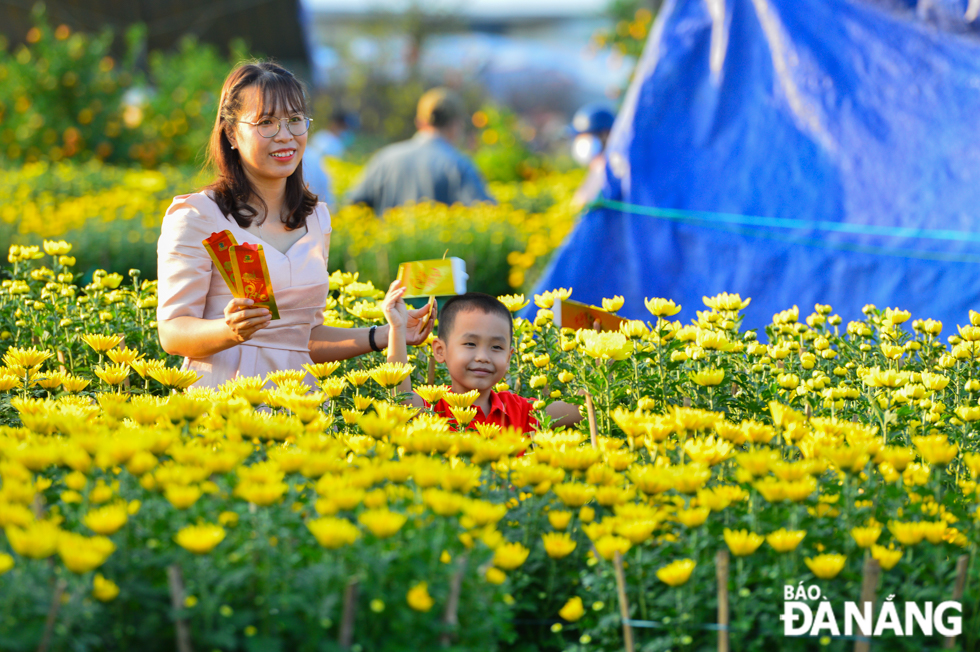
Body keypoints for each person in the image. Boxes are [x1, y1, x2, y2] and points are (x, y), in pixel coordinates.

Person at [156, 61, 435, 388]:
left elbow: (304, 339)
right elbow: (172, 332)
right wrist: (228, 329)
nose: (285, 136)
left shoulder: (316, 219)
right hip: (224, 404)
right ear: (231, 132)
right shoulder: (198, 215)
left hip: (301, 405)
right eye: (266, 123)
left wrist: (386, 333)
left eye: (295, 120)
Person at [381, 284, 580, 432]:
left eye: (496, 347)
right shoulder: (434, 407)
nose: (483, 357)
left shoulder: (519, 411)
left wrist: (606, 353)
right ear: (440, 351)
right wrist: (397, 329)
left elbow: (580, 409)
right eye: (470, 344)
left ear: (509, 357)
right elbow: (401, 401)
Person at [346, 88, 493, 215]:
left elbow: (352, 206)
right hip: (444, 248)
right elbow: (487, 213)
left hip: (386, 247)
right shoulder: (459, 165)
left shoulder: (385, 158)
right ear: (455, 125)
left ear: (419, 122)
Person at [569, 102, 616, 211]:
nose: (579, 143)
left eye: (584, 137)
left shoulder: (607, 171)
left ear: (604, 137)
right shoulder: (597, 169)